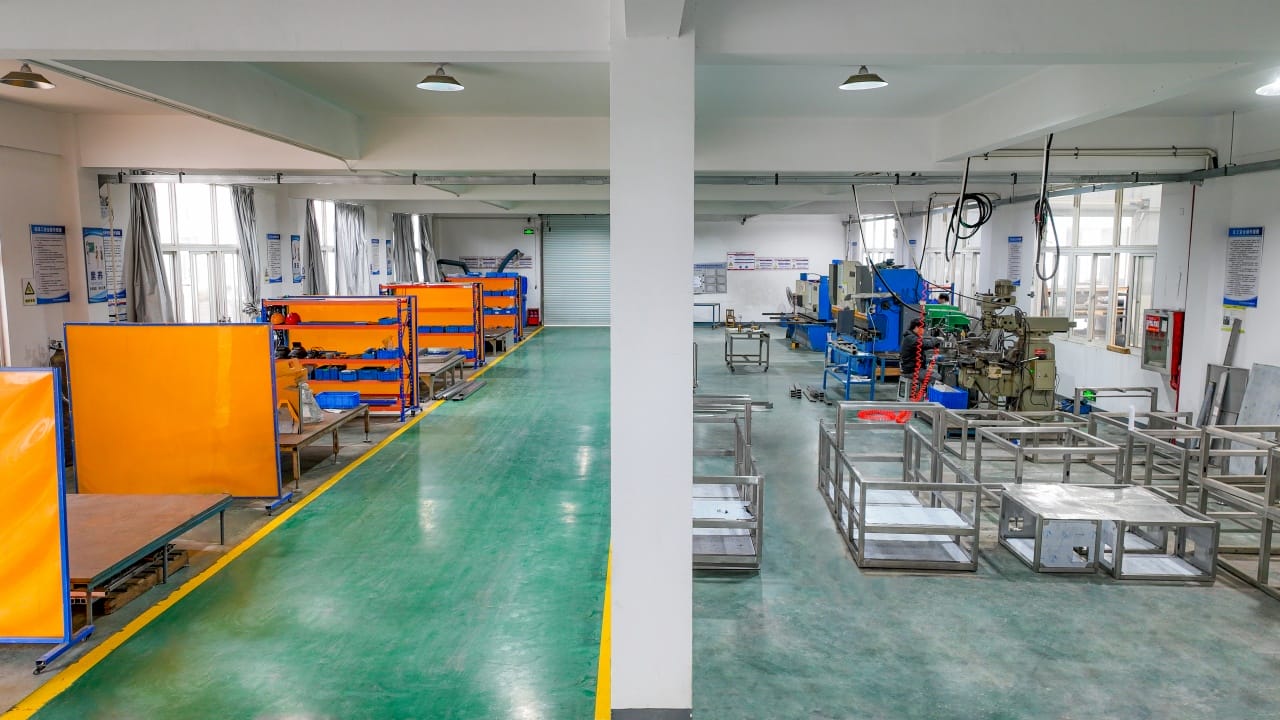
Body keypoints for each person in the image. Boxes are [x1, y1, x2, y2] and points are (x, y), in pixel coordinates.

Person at [898, 317, 938, 400]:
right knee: (936, 377)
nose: (923, 331)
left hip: (911, 368)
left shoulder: (910, 337)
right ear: (916, 327)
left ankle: (922, 395)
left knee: (931, 372)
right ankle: (929, 400)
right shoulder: (911, 338)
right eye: (922, 328)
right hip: (912, 370)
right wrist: (936, 340)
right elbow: (926, 344)